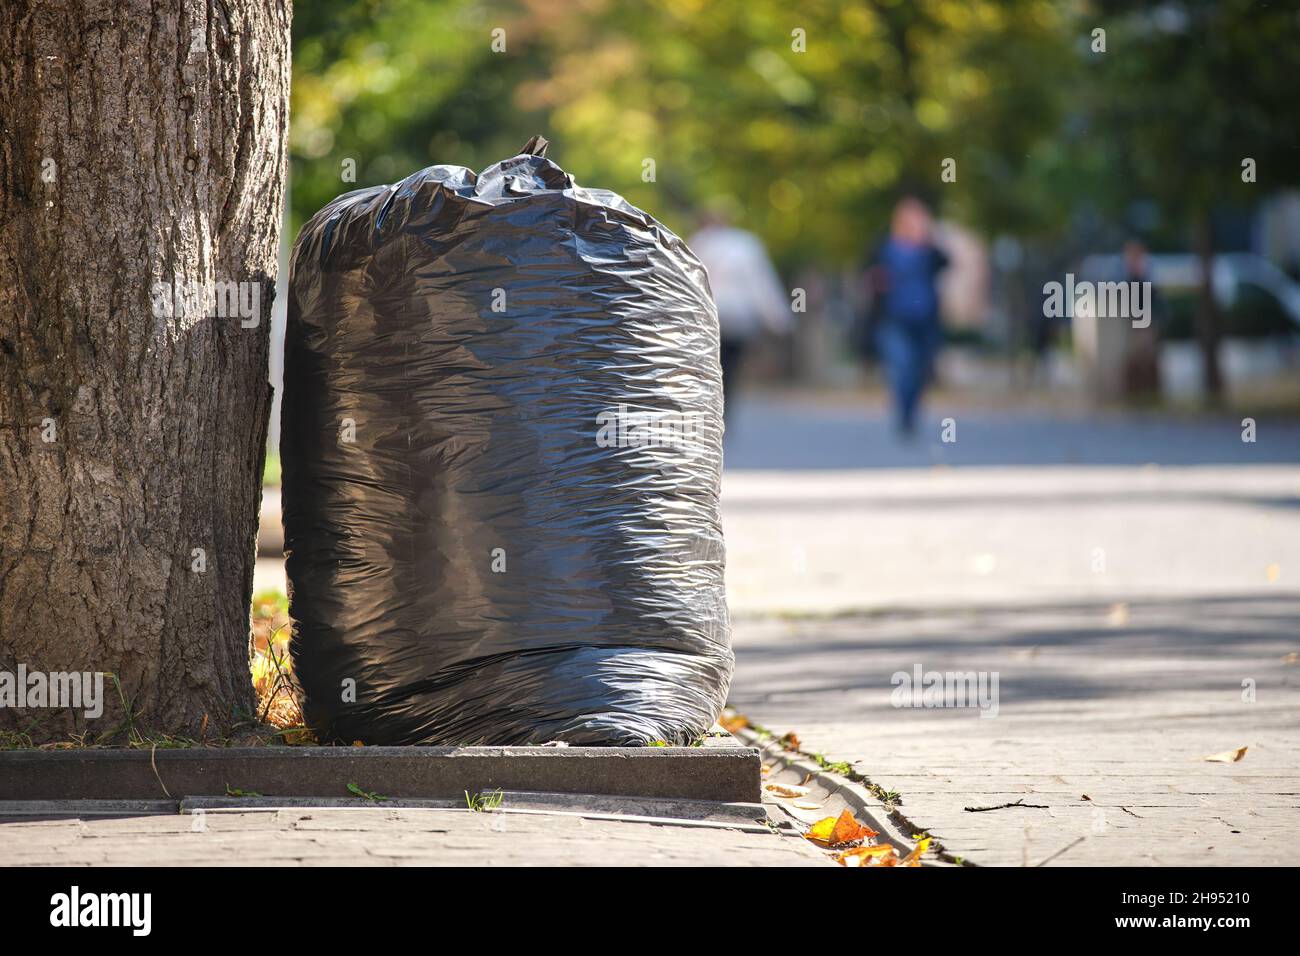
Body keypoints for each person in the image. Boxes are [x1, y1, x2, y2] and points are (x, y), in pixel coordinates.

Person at [689, 210, 791, 426]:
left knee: (708, 365)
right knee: (730, 369)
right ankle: (723, 412)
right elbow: (761, 283)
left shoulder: (696, 244)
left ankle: (708, 410)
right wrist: (777, 317)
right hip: (738, 317)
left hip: (707, 316)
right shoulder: (745, 244)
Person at [863, 197, 949, 437]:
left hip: (925, 320)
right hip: (893, 318)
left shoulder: (929, 251)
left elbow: (948, 261)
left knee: (921, 370)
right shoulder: (884, 248)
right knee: (902, 366)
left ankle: (911, 411)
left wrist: (929, 239)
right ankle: (904, 414)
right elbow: (868, 274)